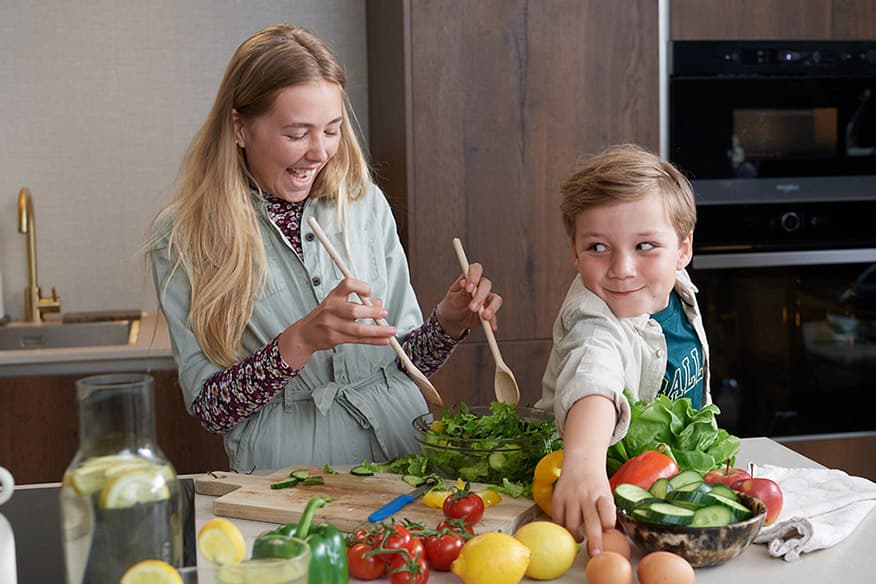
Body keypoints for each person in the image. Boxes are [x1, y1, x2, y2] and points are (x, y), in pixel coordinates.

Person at [149, 24, 501, 473]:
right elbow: (213, 410)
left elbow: (404, 365)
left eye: (331, 130)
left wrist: (448, 325)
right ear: (240, 128)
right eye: (297, 134)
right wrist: (300, 341)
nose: (319, 152)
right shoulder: (183, 235)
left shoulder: (363, 202)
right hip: (287, 482)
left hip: (401, 459)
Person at [536, 144, 710, 554]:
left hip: (659, 491)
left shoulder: (676, 289)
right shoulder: (593, 318)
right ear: (575, 253)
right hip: (588, 499)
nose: (622, 269)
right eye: (598, 247)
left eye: (645, 246)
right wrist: (582, 459)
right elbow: (593, 376)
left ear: (683, 250)